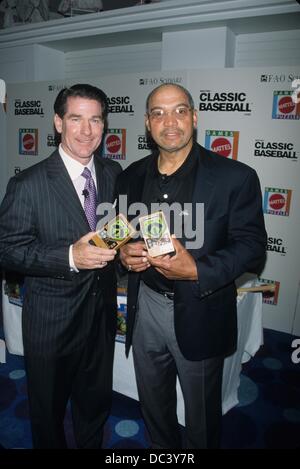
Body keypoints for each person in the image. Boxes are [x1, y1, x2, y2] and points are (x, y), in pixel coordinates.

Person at [117, 83, 267, 449]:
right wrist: (123, 254)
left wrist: (197, 271)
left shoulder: (236, 176)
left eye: (179, 110)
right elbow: (122, 232)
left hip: (202, 306)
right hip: (146, 304)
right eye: (159, 113)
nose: (170, 122)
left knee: (201, 414)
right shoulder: (129, 176)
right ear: (147, 124)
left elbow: (252, 247)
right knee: (153, 402)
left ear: (194, 118)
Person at [0, 84, 122, 448]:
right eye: (76, 119)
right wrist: (70, 257)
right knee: (48, 414)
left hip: (100, 320)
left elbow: (115, 233)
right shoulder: (28, 184)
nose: (87, 131)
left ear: (104, 124)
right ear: (58, 122)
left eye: (95, 119)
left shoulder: (115, 173)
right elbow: (7, 249)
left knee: (95, 405)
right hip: (51, 325)